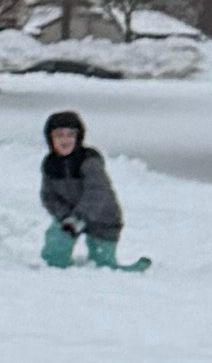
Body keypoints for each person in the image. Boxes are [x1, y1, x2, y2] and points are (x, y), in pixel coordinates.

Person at [38, 111, 140, 269]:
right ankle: (56, 270)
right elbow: (48, 196)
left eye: (70, 135)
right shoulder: (50, 164)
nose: (65, 140)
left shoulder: (89, 161)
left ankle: (110, 265)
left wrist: (79, 218)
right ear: (50, 139)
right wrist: (65, 217)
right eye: (59, 135)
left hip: (103, 219)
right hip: (69, 218)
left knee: (102, 264)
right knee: (55, 251)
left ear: (78, 137)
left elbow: (97, 192)